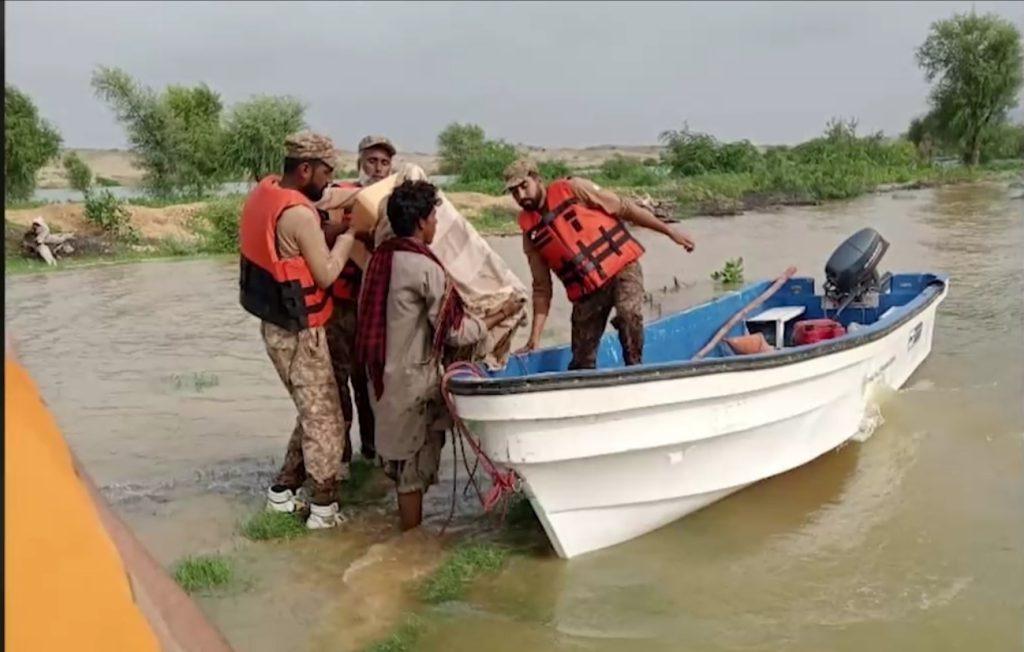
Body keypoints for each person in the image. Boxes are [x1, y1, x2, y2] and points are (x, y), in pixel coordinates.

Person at [356, 180, 523, 530]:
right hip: (412, 382)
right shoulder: (424, 267)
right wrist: (501, 313)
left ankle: (400, 535)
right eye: (433, 218)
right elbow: (455, 332)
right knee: (413, 473)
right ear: (421, 222)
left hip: (380, 379)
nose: (436, 225)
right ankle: (410, 545)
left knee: (400, 464)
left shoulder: (379, 259)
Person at [238, 130, 362, 529]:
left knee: (310, 409)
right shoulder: (298, 214)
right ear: (305, 169)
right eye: (326, 173)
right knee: (326, 417)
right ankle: (324, 507)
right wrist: (350, 236)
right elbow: (325, 274)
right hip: (299, 332)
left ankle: (282, 492)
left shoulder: (267, 194)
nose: (328, 181)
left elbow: (295, 243)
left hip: (274, 324)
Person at [503, 158, 696, 369]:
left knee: (628, 313)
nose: (521, 196)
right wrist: (534, 339)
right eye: (514, 192)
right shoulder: (531, 232)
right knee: (581, 361)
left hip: (621, 268)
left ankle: (635, 369)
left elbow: (626, 209)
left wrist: (670, 232)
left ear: (537, 180)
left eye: (524, 187)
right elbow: (542, 288)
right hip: (588, 292)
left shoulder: (574, 188)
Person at [320, 135, 397, 466]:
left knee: (372, 385)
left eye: (384, 163)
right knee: (338, 385)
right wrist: (355, 232)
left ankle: (373, 451)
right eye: (372, 162)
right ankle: (341, 458)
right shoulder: (338, 196)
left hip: (377, 310)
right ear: (360, 164)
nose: (378, 169)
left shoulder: (396, 201)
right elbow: (320, 235)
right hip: (339, 309)